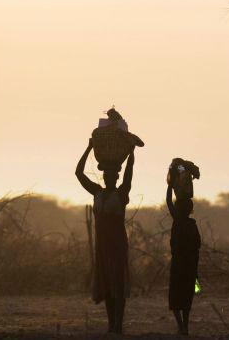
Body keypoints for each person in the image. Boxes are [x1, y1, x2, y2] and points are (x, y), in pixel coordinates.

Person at [76, 140, 134, 334]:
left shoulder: (121, 193)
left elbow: (129, 171)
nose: (109, 177)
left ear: (116, 177)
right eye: (106, 175)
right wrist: (89, 148)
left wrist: (132, 152)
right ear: (103, 176)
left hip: (117, 244)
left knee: (118, 283)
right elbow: (78, 173)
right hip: (102, 247)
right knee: (108, 285)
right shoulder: (97, 192)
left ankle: (118, 324)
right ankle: (112, 325)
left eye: (113, 175)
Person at [167, 184, 201, 335]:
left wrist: (169, 185)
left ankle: (181, 326)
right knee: (187, 297)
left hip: (178, 265)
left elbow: (168, 200)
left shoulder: (178, 221)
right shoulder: (192, 225)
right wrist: (196, 271)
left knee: (175, 298)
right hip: (190, 266)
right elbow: (196, 248)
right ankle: (185, 327)